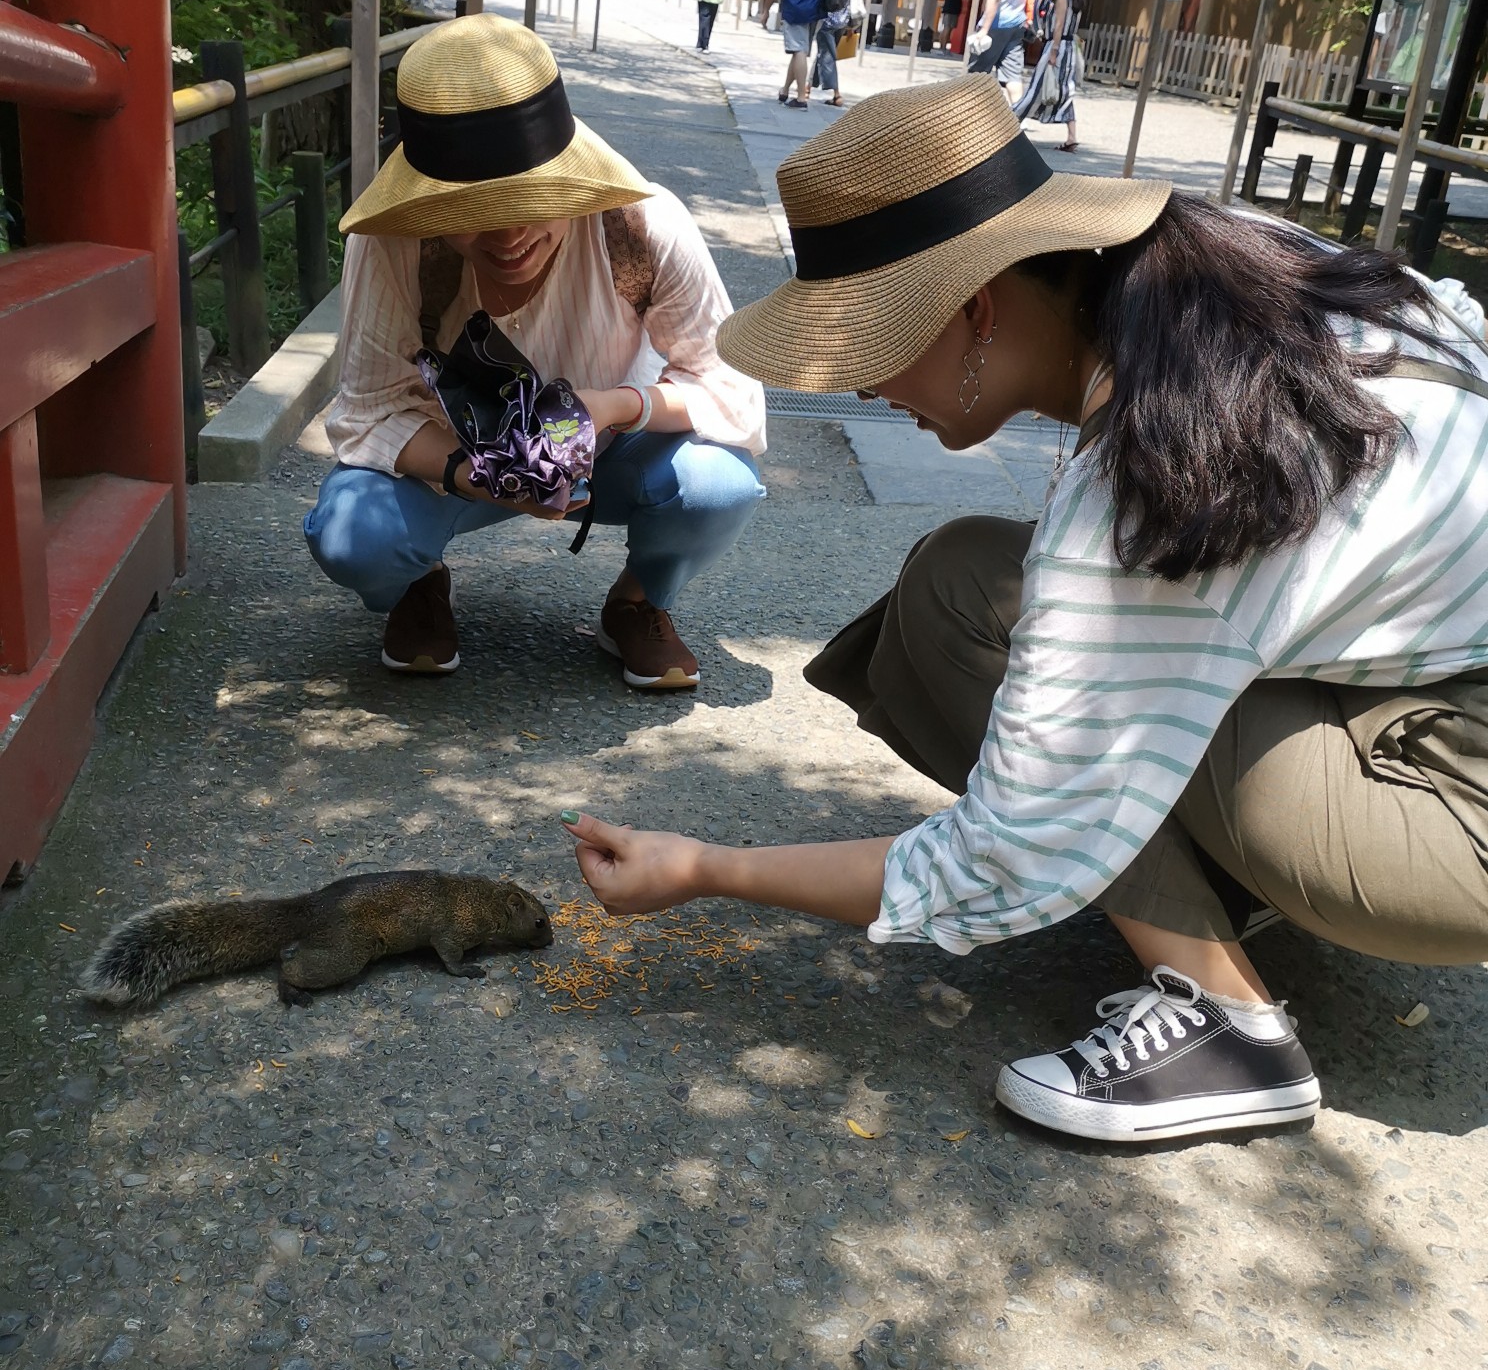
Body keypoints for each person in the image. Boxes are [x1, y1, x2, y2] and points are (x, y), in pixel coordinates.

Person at [562, 73, 1488, 1147]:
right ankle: (1219, 890)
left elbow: (999, 852)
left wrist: (708, 868)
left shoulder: (1159, 476)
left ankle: (1231, 1031)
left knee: (1037, 675)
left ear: (976, 310)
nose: (859, 390)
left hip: (1454, 803)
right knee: (962, 578)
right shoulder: (1227, 264)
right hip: (1419, 674)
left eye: (866, 347)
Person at [304, 14, 766, 690]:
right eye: (470, 207)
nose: (510, 232)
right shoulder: (394, 244)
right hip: (453, 453)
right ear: (429, 202)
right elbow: (368, 411)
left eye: (536, 197)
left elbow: (731, 391)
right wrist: (480, 473)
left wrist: (612, 407)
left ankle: (639, 600)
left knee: (719, 484)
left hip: (612, 451)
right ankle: (418, 581)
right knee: (352, 534)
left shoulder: (643, 224)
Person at [1013, 0, 1086, 150]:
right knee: (1065, 90)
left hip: (1057, 46)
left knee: (1037, 86)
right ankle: (1071, 136)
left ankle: (1010, 122)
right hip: (1070, 47)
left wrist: (1053, 50)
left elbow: (1059, 25)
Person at [811, 0, 864, 109]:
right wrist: (852, 25)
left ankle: (837, 94)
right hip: (842, 21)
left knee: (828, 55)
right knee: (825, 52)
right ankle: (807, 87)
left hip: (827, 20)